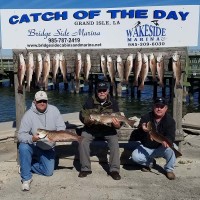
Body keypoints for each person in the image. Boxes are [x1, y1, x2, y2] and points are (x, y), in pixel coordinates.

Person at [17, 91, 66, 191]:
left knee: (48, 172)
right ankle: (26, 178)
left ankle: (25, 166)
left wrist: (59, 136)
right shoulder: (28, 115)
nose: (42, 103)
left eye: (44, 101)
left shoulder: (54, 110)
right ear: (35, 102)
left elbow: (62, 127)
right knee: (23, 146)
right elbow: (21, 135)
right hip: (34, 145)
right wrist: (32, 138)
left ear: (47, 101)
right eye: (39, 101)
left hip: (48, 147)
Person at [78, 81, 121, 180]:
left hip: (108, 129)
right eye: (99, 91)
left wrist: (118, 125)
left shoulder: (113, 102)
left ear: (107, 91)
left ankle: (114, 170)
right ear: (96, 92)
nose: (102, 92)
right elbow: (82, 116)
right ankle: (85, 168)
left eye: (104, 90)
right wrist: (89, 121)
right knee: (83, 141)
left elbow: (119, 119)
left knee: (114, 143)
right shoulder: (89, 102)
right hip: (91, 129)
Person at [131, 97, 176, 180]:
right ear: (153, 107)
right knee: (135, 157)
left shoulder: (170, 121)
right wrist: (142, 128)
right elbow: (139, 131)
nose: (159, 109)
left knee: (172, 148)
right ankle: (150, 163)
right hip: (147, 146)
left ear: (166, 108)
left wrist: (168, 141)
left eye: (161, 107)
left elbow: (171, 135)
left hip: (161, 146)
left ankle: (169, 170)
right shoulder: (145, 117)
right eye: (157, 106)